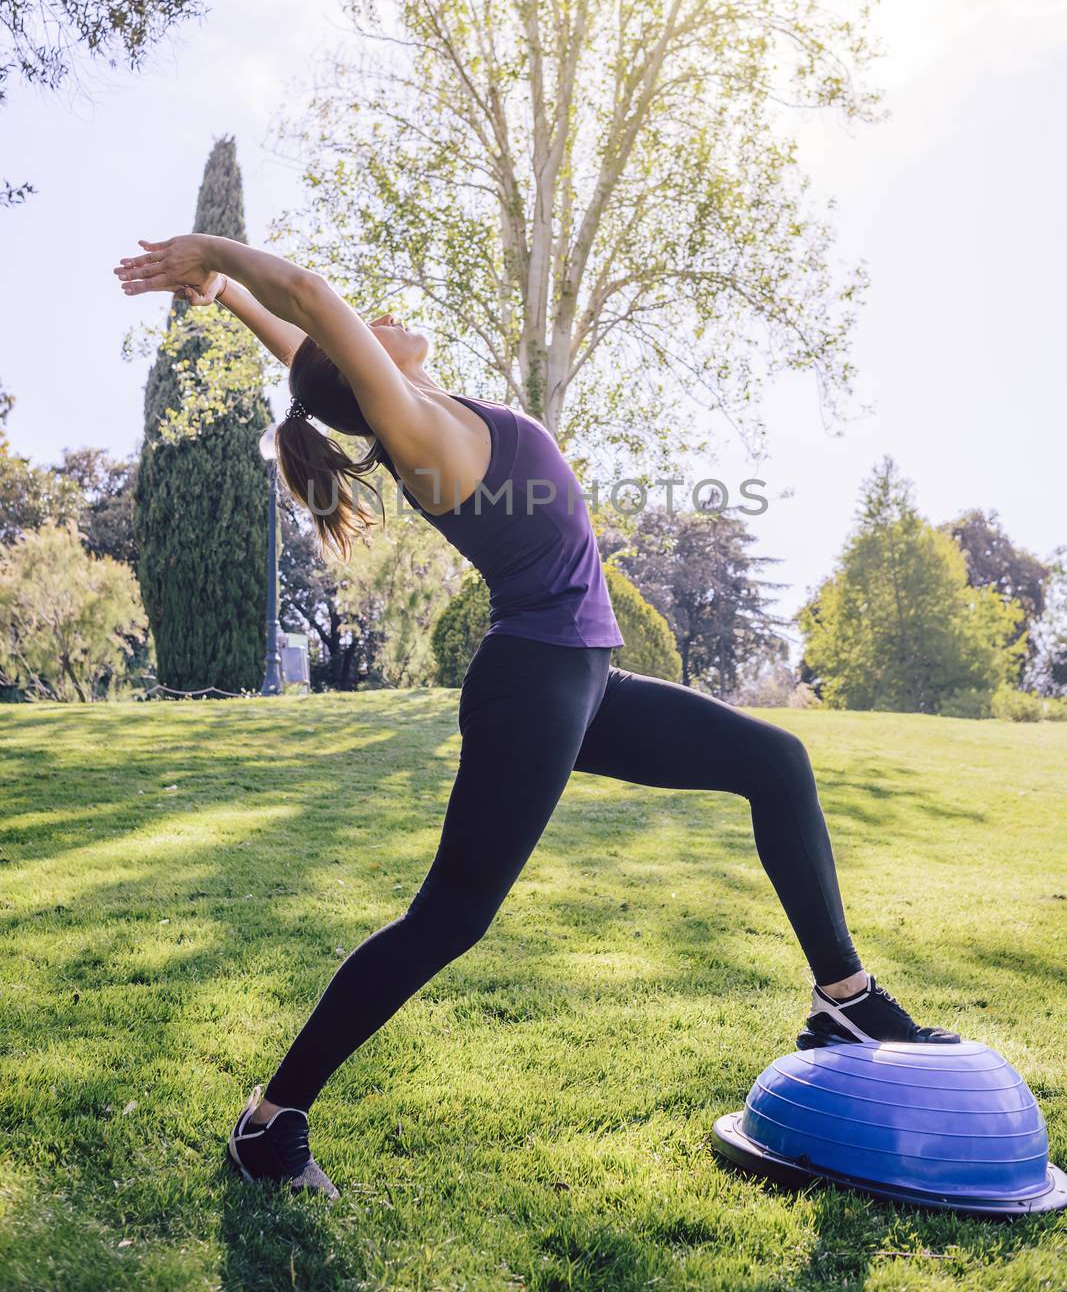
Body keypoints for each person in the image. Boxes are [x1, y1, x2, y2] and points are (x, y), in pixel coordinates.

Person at [115, 234, 960, 1199]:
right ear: (363, 361)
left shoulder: (409, 406)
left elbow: (301, 348)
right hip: (535, 684)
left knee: (774, 760)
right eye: (359, 330)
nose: (377, 318)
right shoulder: (416, 433)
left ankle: (843, 999)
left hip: (582, 681)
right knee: (449, 919)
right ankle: (269, 1123)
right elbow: (310, 303)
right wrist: (208, 247)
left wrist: (224, 294)